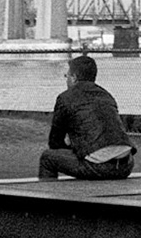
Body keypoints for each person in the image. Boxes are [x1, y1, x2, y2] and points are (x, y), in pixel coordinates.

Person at [39, 53, 135, 181]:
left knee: (48, 158)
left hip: (99, 167)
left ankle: (45, 198)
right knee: (87, 155)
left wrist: (72, 146)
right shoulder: (106, 95)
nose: (66, 79)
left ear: (73, 78)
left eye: (66, 76)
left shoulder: (65, 98)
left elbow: (54, 142)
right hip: (125, 165)